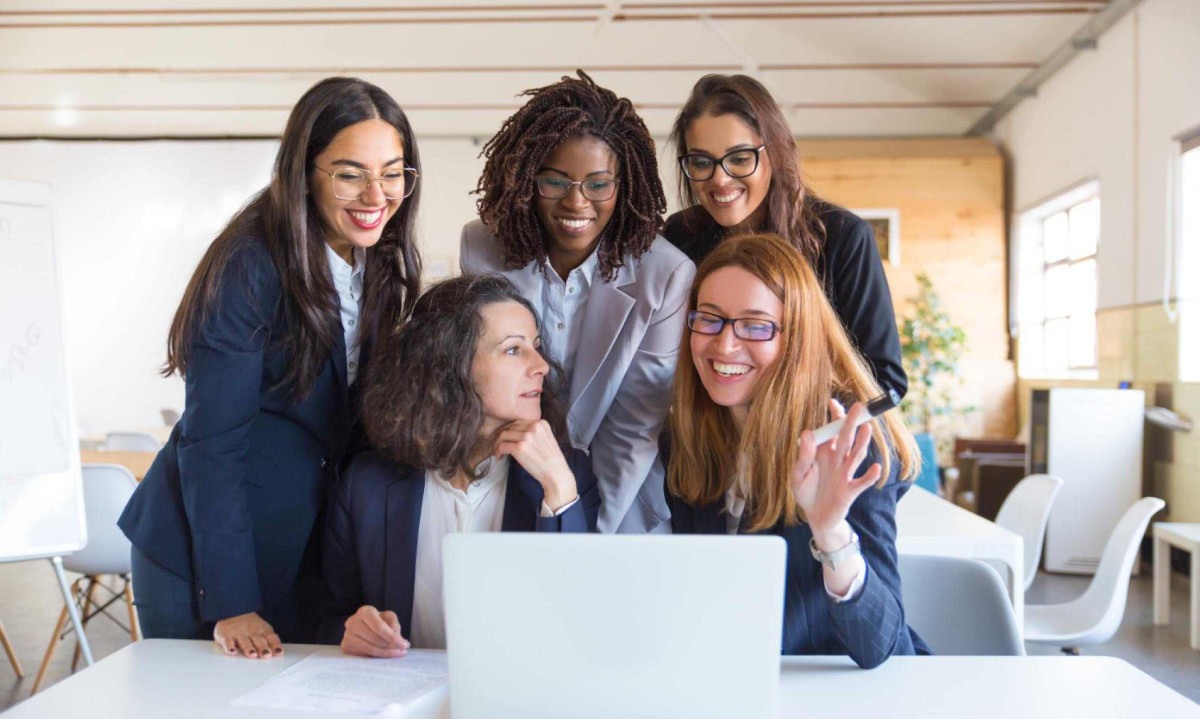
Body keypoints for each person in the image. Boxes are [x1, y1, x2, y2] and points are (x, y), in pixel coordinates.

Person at [118, 77, 423, 658]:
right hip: (203, 557)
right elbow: (213, 444)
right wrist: (231, 602)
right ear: (305, 173)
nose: (376, 194)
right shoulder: (251, 265)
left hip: (300, 545)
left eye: (393, 172)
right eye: (350, 172)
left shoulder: (376, 266)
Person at [664, 232, 928, 669]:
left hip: (831, 691)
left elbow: (881, 648)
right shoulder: (683, 437)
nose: (724, 345)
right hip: (727, 683)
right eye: (709, 318)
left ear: (798, 337)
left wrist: (830, 532)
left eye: (755, 326)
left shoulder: (851, 442)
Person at [461, 71, 694, 534]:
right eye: (556, 181)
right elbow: (475, 384)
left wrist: (583, 530)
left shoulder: (665, 275)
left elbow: (633, 428)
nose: (576, 202)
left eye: (597, 184)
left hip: (618, 499)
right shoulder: (481, 248)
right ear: (529, 177)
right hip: (503, 473)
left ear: (622, 185)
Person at [318, 274, 600, 655]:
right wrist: (351, 631)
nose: (542, 366)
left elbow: (579, 631)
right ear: (450, 365)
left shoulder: (568, 477)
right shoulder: (366, 483)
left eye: (536, 346)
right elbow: (329, 614)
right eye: (514, 350)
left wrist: (560, 491)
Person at [664, 74, 907, 400]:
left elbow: (884, 381)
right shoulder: (680, 237)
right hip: (709, 442)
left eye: (739, 158)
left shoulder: (842, 238)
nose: (719, 179)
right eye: (701, 162)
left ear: (775, 153)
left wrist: (799, 438)